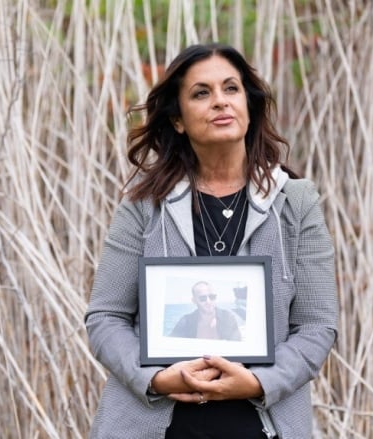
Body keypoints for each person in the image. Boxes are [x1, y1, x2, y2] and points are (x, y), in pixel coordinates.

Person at [84, 43, 337, 439]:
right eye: (201, 93)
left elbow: (317, 325)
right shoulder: (142, 207)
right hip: (154, 427)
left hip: (261, 426)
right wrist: (158, 378)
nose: (220, 101)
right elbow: (105, 318)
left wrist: (258, 383)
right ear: (179, 120)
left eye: (231, 89)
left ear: (249, 107)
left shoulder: (297, 203)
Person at [169, 281, 242, 340]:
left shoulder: (227, 318)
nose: (208, 302)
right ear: (194, 300)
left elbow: (236, 346)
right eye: (203, 298)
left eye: (212, 297)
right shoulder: (186, 322)